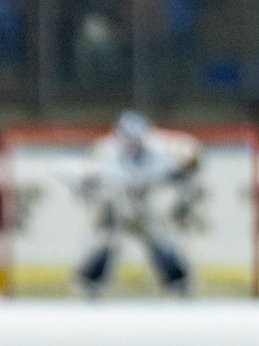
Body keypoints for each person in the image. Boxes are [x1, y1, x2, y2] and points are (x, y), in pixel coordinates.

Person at [75, 110, 201, 297]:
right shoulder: (105, 150)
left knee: (160, 239)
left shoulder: (160, 146)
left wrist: (180, 169)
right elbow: (87, 177)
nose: (132, 144)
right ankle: (90, 283)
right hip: (118, 202)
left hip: (146, 202)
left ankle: (178, 282)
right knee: (106, 240)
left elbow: (191, 157)